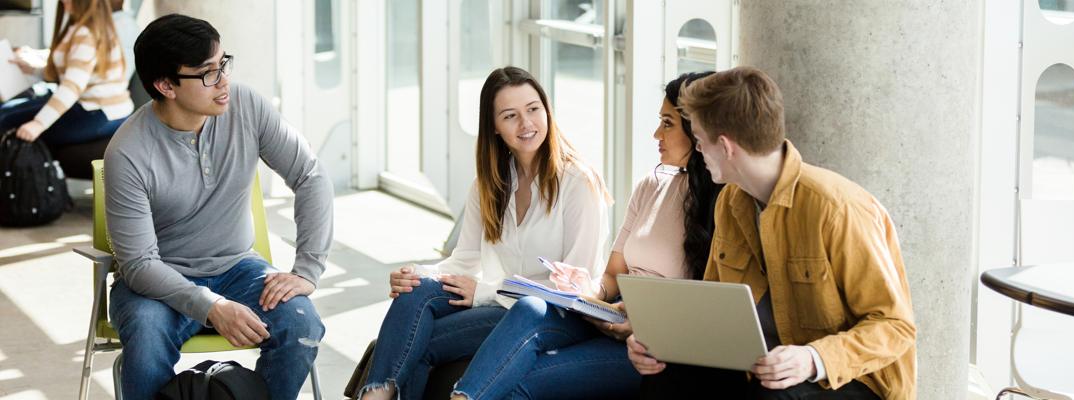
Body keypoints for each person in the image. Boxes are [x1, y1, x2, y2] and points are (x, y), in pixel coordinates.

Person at [626, 66, 917, 400]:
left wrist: (812, 358)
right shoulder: (731, 203)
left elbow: (895, 326)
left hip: (852, 379)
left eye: (701, 141)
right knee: (666, 375)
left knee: (773, 397)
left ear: (726, 146)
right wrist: (661, 341)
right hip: (763, 367)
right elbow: (711, 311)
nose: (699, 151)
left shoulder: (838, 210)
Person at [447, 71, 723, 400]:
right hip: (615, 320)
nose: (655, 133)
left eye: (667, 123)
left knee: (520, 380)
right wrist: (584, 289)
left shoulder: (723, 202)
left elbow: (712, 310)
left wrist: (640, 324)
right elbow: (611, 277)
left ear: (697, 129)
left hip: (656, 341)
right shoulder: (650, 186)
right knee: (522, 326)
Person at [103, 14, 333, 400]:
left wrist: (307, 269)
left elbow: (310, 175)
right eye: (207, 73)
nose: (223, 80)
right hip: (158, 285)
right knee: (145, 335)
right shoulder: (127, 153)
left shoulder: (246, 106)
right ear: (165, 85)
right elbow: (140, 265)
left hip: (237, 268)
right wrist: (212, 306)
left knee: (301, 322)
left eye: (223, 64)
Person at [358, 66, 612, 400]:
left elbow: (575, 287)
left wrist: (486, 292)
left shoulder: (578, 182)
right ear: (493, 126)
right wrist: (414, 275)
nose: (526, 124)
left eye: (533, 109)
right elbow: (464, 260)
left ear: (547, 110)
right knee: (415, 296)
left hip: (559, 315)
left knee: (416, 342)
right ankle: (374, 396)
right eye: (510, 116)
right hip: (504, 306)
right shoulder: (487, 185)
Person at [1, 0, 132, 146]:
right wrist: (31, 69)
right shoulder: (85, 26)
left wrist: (38, 124)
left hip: (98, 112)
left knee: (6, 121)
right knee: (6, 110)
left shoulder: (86, 33)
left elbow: (71, 87)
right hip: (100, 109)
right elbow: (70, 74)